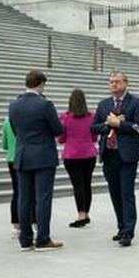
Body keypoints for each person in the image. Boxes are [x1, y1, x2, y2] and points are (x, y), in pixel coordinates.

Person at [7, 71, 64, 250]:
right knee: (43, 198)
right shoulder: (45, 104)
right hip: (43, 156)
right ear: (40, 84)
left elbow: (16, 130)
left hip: (22, 155)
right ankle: (43, 239)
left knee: (24, 198)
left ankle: (25, 240)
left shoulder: (13, 105)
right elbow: (57, 129)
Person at [91, 71, 139, 247]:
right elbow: (93, 128)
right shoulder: (103, 104)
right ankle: (121, 227)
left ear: (125, 83)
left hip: (127, 156)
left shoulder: (136, 103)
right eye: (111, 82)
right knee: (115, 193)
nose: (113, 84)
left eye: (117, 82)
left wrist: (120, 124)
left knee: (126, 193)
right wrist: (108, 124)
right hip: (109, 154)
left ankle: (128, 231)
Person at [59, 89, 97, 228]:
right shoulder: (91, 116)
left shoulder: (64, 117)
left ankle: (81, 215)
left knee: (78, 185)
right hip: (89, 154)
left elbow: (61, 139)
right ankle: (86, 213)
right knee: (87, 184)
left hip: (72, 155)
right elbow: (94, 137)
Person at [1, 117, 19, 237]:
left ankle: (16, 225)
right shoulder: (25, 118)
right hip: (25, 157)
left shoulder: (7, 121)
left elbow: (4, 144)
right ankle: (34, 222)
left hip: (12, 158)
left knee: (16, 191)